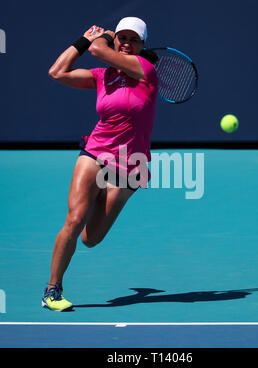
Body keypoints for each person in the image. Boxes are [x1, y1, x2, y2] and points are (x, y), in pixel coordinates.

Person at [42, 17, 158, 311]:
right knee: (74, 218)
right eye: (122, 38)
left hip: (131, 165)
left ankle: (104, 193)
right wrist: (83, 40)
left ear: (143, 46)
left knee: (90, 239)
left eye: (134, 40)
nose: (127, 44)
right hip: (96, 152)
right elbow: (56, 72)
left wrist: (102, 38)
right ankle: (52, 290)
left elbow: (99, 50)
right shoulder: (101, 76)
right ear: (116, 40)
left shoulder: (147, 70)